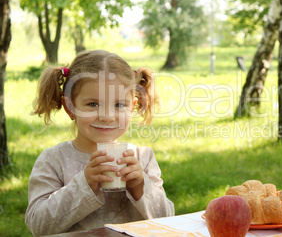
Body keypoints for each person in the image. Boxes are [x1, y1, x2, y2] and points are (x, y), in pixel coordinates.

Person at [25, 50, 174, 236]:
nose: (107, 117)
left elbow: (168, 220)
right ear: (70, 107)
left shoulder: (142, 159)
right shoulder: (54, 160)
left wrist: (140, 187)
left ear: (132, 105)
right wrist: (83, 184)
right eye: (93, 104)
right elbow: (38, 226)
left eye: (119, 105)